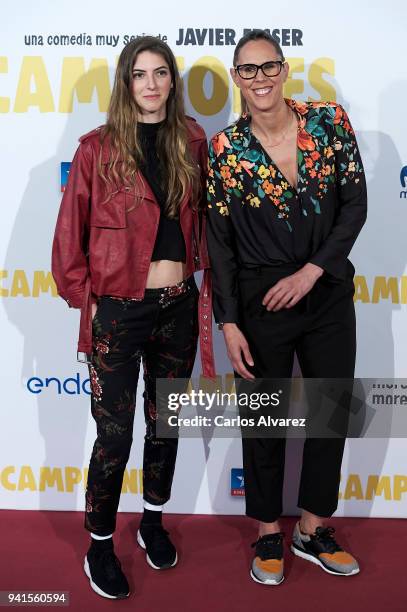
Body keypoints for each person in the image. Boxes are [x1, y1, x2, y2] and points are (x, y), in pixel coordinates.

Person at [52, 36, 214, 600]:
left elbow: (210, 226)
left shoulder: (192, 141)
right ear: (126, 82)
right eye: (140, 73)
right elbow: (67, 243)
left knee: (164, 424)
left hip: (178, 309)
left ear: (172, 80)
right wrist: (88, 304)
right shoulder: (97, 150)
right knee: (114, 435)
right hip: (118, 313)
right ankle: (99, 545)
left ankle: (151, 522)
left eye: (160, 72)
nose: (150, 83)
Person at [206, 29, 367, 586]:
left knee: (330, 411)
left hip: (325, 290)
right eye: (248, 70)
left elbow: (355, 204)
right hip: (259, 301)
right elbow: (219, 244)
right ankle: (268, 532)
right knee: (263, 421)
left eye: (268, 66)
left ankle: (313, 527)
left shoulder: (329, 121)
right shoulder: (225, 150)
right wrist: (228, 322)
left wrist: (312, 270)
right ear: (237, 78)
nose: (260, 78)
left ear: (283, 68)